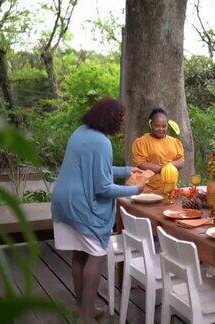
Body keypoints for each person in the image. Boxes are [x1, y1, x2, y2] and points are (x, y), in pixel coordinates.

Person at [51, 97, 144, 322]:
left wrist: (128, 170)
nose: (121, 123)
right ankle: (86, 314)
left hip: (62, 200)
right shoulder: (102, 141)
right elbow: (102, 187)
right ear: (110, 119)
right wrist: (134, 190)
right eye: (120, 119)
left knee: (78, 253)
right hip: (81, 205)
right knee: (96, 254)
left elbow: (97, 168)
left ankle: (80, 306)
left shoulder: (80, 132)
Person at [132, 107, 185, 192]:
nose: (161, 129)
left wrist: (167, 167)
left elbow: (180, 162)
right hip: (148, 188)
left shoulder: (175, 142)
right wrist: (162, 169)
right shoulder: (141, 142)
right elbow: (141, 164)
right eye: (157, 126)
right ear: (151, 124)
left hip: (170, 188)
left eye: (164, 126)